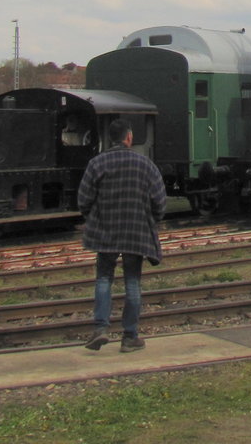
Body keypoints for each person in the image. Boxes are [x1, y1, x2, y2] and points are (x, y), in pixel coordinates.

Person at [77, 117, 167, 352]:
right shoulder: (145, 165)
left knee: (104, 278)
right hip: (135, 231)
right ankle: (130, 337)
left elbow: (83, 200)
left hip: (104, 230)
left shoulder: (97, 163)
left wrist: (94, 219)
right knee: (132, 281)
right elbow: (159, 202)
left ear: (111, 138)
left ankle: (100, 328)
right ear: (129, 137)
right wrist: (150, 221)